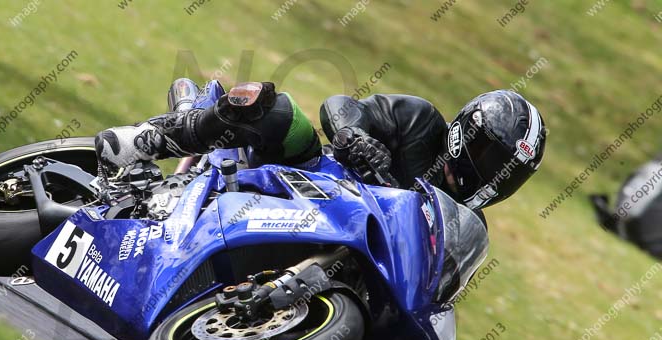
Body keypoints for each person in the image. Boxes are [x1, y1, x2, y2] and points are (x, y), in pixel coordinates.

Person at [95, 81, 547, 215]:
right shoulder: (419, 120)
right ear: (467, 133)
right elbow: (341, 106)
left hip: (342, 241)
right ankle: (143, 143)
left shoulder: (463, 223)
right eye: (493, 157)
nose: (495, 174)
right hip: (309, 176)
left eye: (511, 171)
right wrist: (354, 135)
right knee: (280, 113)